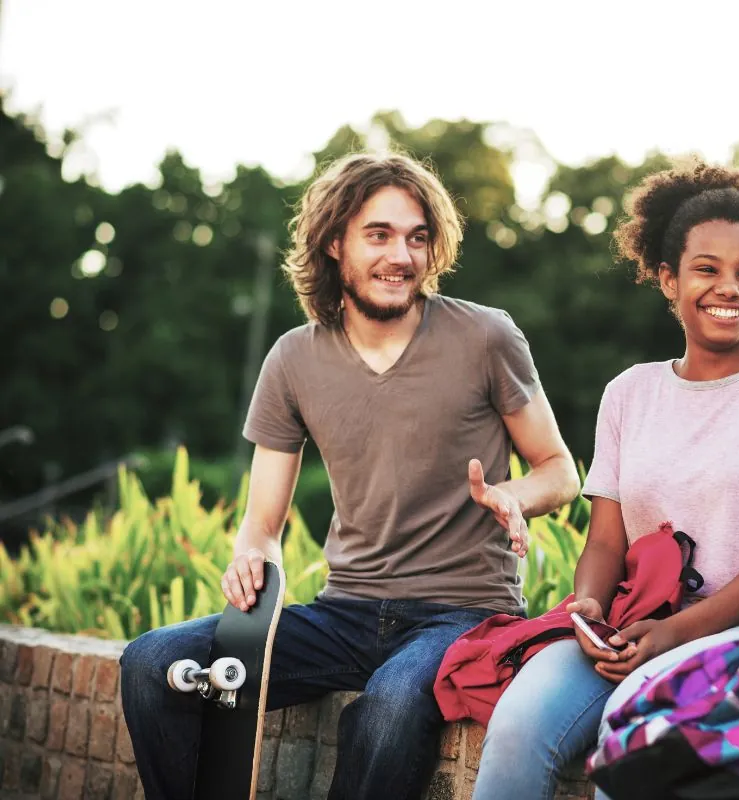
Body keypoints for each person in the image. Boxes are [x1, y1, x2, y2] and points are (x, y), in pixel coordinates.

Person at [118, 151, 581, 800]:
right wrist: (253, 560)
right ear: (334, 242)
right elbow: (263, 519)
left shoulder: (485, 337)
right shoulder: (293, 359)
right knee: (152, 663)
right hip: (345, 612)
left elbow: (558, 470)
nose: (403, 255)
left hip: (461, 613)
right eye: (380, 235)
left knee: (391, 707)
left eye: (418, 237)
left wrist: (513, 497)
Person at [472, 162, 739, 800]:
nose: (728, 288)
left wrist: (674, 634)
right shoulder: (629, 393)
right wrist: (589, 609)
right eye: (707, 269)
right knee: (516, 722)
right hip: (634, 625)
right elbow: (605, 543)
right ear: (669, 280)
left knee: (634, 729)